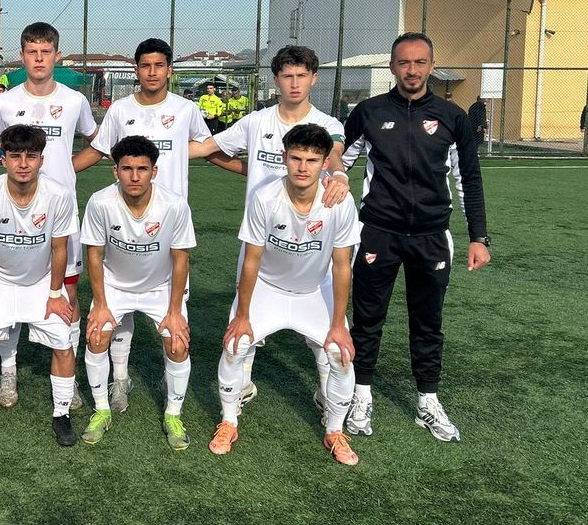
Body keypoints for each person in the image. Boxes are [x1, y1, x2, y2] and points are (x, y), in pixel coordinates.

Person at [341, 32, 490, 442]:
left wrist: (479, 237)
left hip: (431, 236)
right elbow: (340, 162)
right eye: (404, 62)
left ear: (432, 66)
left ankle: (428, 401)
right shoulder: (368, 112)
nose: (412, 70)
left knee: (428, 322)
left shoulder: (452, 117)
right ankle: (361, 394)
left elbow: (468, 179)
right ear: (392, 66)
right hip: (377, 233)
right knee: (368, 319)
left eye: (420, 62)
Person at [193, 45, 352, 410]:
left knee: (324, 335)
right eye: (287, 76)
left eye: (301, 76)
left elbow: (335, 154)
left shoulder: (329, 124)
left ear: (314, 79)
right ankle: (242, 388)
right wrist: (157, 151)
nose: (294, 83)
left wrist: (340, 174)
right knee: (244, 324)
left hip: (311, 243)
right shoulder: (257, 122)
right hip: (260, 241)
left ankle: (327, 396)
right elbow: (209, 148)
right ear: (276, 79)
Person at [72, 38, 212, 413]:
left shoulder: (185, 109)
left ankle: (171, 388)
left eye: (159, 65)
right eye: (145, 65)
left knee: (175, 325)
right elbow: (99, 150)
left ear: (169, 70)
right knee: (118, 316)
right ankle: (120, 379)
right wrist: (58, 173)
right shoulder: (120, 110)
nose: (152, 72)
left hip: (167, 222)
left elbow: (207, 146)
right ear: (137, 70)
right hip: (125, 218)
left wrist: (258, 169)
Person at [212, 124, 360, 465]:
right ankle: (228, 422)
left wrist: (338, 324)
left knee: (340, 353)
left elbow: (341, 267)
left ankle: (335, 430)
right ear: (284, 157)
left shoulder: (339, 202)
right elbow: (251, 260)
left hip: (314, 290)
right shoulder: (265, 198)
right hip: (268, 288)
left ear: (325, 163)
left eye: (312, 160)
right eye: (296, 158)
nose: (303, 167)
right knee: (235, 344)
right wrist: (243, 315)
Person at [0, 22, 98, 410]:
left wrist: (66, 171)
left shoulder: (74, 101)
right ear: (22, 56)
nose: (38, 59)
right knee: (10, 286)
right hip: (14, 212)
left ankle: (70, 376)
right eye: (32, 52)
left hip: (61, 214)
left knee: (68, 292)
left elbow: (97, 143)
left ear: (57, 55)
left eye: (45, 52)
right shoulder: (4, 103)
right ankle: (8, 371)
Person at [80, 136, 196, 450]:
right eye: (127, 168)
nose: (134, 176)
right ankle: (101, 410)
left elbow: (181, 258)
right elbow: (94, 255)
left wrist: (174, 311)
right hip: (115, 285)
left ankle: (173, 415)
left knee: (178, 343)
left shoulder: (173, 205)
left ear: (153, 172)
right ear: (115, 171)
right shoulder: (100, 202)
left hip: (160, 286)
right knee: (96, 336)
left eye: (142, 169)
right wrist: (100, 304)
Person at [0, 125, 80, 446]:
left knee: (63, 341)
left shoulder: (59, 195)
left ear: (42, 160)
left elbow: (59, 248)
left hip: (42, 281)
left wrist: (55, 294)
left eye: (31, 156)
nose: (23, 164)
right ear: (3, 159)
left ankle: (61, 414)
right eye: (15, 156)